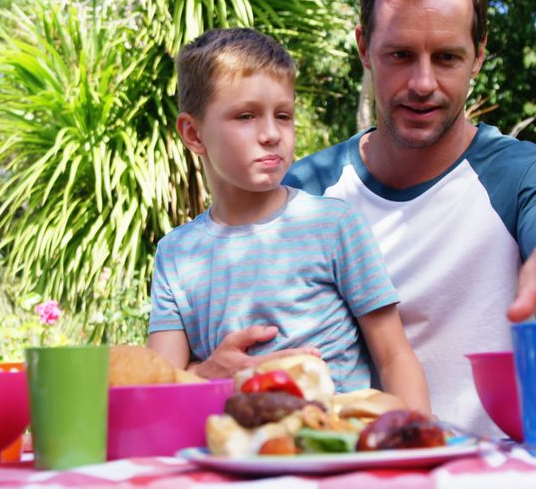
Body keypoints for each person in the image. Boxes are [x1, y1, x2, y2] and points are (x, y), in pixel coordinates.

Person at [190, 0, 536, 435]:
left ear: (478, 57)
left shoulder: (524, 176)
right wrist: (204, 376)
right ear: (364, 48)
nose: (423, 82)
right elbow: (221, 357)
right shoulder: (302, 192)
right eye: (401, 55)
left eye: (447, 57)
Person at [146, 27, 431, 413]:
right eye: (246, 116)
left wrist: (417, 444)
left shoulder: (333, 225)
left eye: (283, 116)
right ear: (194, 133)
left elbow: (394, 357)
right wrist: (209, 372)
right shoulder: (176, 254)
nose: (271, 134)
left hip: (334, 453)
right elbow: (158, 390)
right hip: (229, 455)